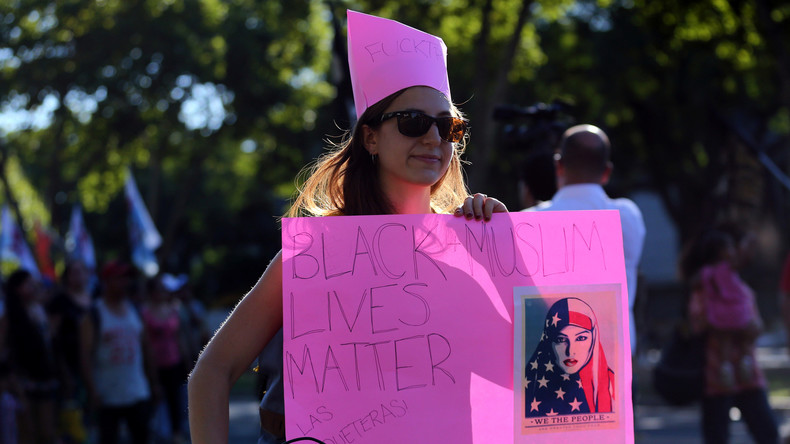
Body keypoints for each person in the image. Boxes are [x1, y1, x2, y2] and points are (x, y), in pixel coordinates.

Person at [187, 10, 507, 444]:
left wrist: (505, 261)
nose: (434, 138)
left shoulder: (465, 260)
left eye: (449, 127)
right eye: (414, 122)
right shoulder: (310, 261)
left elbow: (548, 381)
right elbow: (212, 372)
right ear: (371, 137)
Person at [524, 125, 646, 356]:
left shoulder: (528, 222)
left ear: (558, 166)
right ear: (607, 171)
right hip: (615, 361)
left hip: (551, 359)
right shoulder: (628, 216)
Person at [681, 225, 779, 444]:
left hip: (742, 374)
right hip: (717, 374)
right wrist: (738, 326)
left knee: (766, 432)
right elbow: (700, 325)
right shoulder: (708, 286)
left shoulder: (732, 283)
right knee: (720, 435)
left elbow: (755, 324)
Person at [80, 260, 160, 444]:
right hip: (107, 395)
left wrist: (154, 383)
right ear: (106, 281)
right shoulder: (93, 314)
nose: (125, 283)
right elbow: (84, 355)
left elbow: (146, 348)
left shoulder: (135, 310)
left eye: (127, 278)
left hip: (137, 392)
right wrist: (92, 391)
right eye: (119, 278)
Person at [524, 297, 614, 417]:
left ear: (594, 338)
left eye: (581, 338)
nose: (571, 351)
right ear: (548, 340)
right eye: (561, 339)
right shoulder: (530, 383)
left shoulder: (612, 384)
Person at [3, 269, 59, 444]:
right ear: (16, 289)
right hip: (22, 382)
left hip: (44, 377)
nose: (34, 287)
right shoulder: (8, 318)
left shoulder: (40, 311)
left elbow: (48, 344)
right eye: (28, 284)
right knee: (28, 433)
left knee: (47, 433)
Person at [47, 260, 92, 443]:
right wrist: (62, 369)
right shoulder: (59, 302)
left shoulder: (95, 298)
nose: (78, 275)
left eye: (81, 271)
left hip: (95, 365)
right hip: (69, 366)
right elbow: (53, 338)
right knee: (72, 418)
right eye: (74, 272)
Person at [141, 274, 188, 443]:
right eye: (159, 289)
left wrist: (187, 360)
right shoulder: (145, 312)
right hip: (155, 364)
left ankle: (176, 433)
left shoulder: (173, 309)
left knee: (176, 401)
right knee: (156, 400)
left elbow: (179, 337)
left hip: (174, 362)